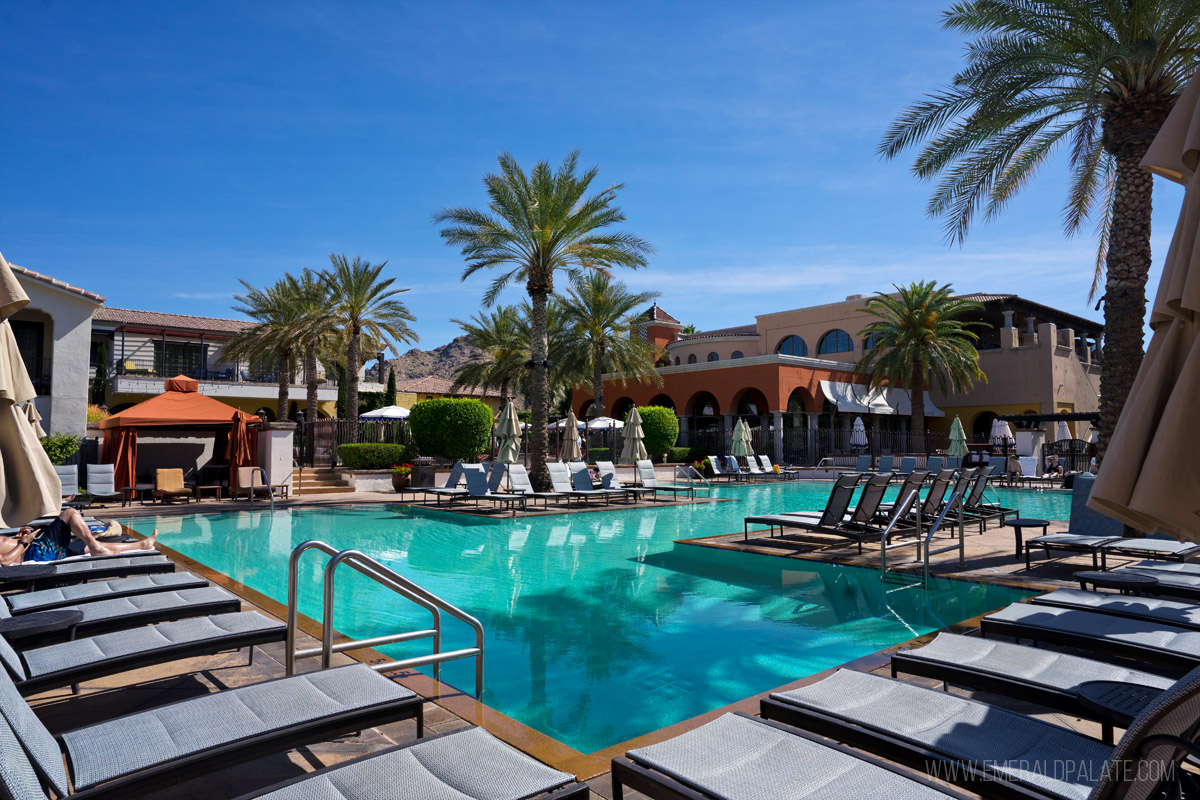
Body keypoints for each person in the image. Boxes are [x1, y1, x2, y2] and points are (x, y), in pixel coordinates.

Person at [0, 508, 158, 567]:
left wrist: (19, 538)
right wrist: (23, 543)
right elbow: (5, 561)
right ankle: (97, 549)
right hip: (39, 552)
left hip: (35, 548)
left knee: (88, 546)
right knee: (70, 513)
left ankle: (142, 545)